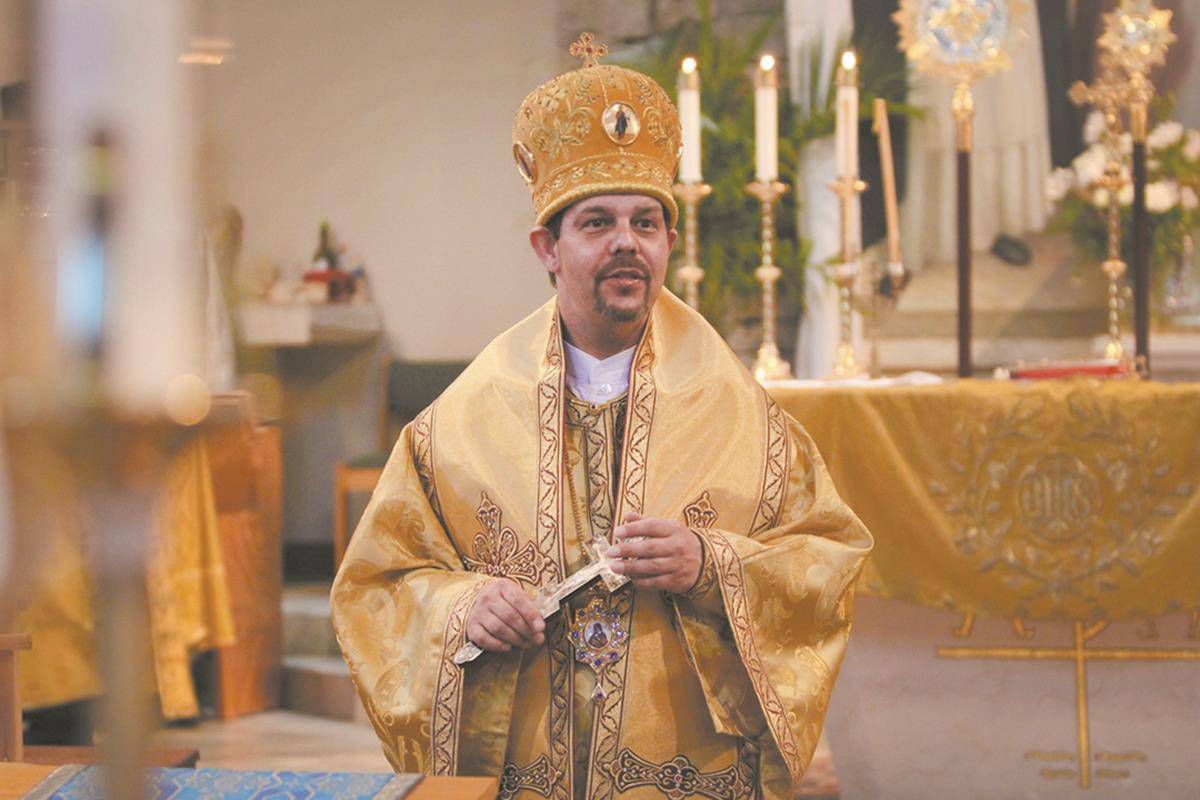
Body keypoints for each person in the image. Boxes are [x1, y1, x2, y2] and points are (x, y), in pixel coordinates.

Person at [331, 33, 873, 799]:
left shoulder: (745, 418)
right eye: (597, 223)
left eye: (645, 223)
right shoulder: (458, 424)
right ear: (546, 248)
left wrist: (711, 564)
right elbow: (374, 586)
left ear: (669, 242)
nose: (627, 243)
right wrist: (461, 608)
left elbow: (830, 557)